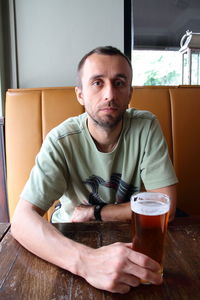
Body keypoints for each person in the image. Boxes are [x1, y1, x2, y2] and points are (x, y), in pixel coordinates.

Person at [11, 46, 178, 294]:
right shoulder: (61, 140)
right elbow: (21, 220)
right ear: (80, 94)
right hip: (69, 239)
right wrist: (87, 263)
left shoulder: (146, 127)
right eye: (97, 83)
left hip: (130, 236)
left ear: (130, 92)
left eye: (119, 83)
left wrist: (95, 213)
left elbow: (167, 206)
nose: (109, 94)